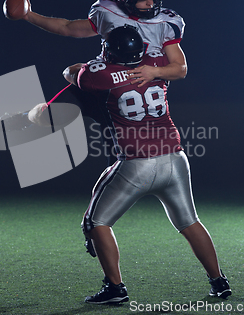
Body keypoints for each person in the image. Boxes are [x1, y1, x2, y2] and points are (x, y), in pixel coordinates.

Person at [63, 26, 231, 304]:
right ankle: (219, 281)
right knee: (190, 221)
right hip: (175, 159)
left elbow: (71, 73)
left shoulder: (100, 75)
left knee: (96, 221)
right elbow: (178, 68)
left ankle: (115, 288)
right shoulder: (157, 65)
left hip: (136, 164)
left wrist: (86, 67)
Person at [11, 0, 187, 87]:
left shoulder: (165, 23)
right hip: (109, 79)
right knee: (70, 75)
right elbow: (67, 28)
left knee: (75, 75)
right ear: (127, 2)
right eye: (145, 0)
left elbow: (180, 68)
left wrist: (155, 72)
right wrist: (29, 15)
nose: (151, 4)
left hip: (143, 84)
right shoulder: (109, 12)